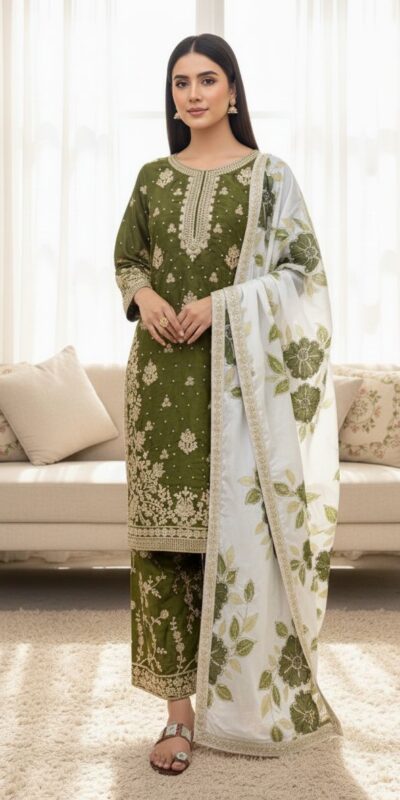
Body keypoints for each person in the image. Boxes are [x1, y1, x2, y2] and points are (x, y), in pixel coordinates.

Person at [114, 33, 343, 776]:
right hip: (160, 386)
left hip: (238, 392)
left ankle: (243, 702)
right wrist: (144, 295)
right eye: (180, 82)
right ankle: (177, 716)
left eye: (207, 79)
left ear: (234, 90)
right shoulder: (153, 178)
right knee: (164, 548)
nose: (193, 94)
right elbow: (130, 256)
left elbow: (303, 274)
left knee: (238, 541)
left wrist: (224, 304)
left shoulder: (270, 179)